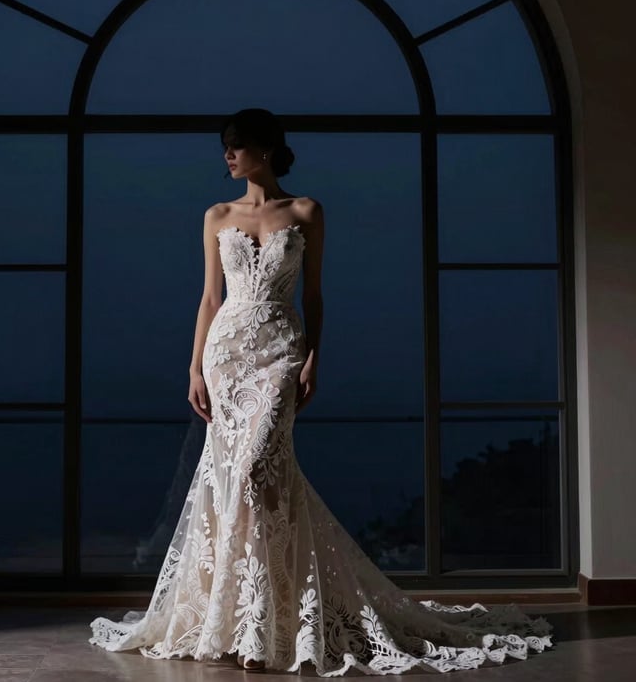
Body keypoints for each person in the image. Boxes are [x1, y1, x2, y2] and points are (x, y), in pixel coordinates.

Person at [89, 108, 554, 675]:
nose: (228, 156)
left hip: (280, 354)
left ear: (264, 148)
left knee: (260, 469)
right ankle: (245, 621)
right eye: (225, 147)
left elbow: (315, 296)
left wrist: (313, 356)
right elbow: (210, 299)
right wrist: (193, 368)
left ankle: (269, 617)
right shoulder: (216, 216)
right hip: (227, 356)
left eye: (236, 146)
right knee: (237, 479)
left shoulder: (306, 211)